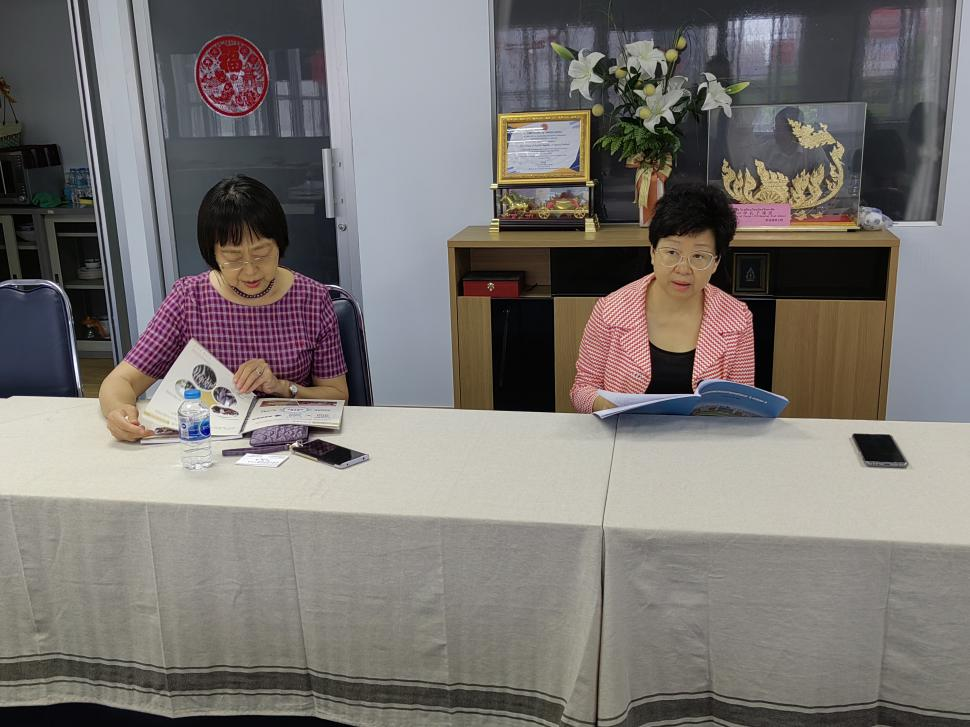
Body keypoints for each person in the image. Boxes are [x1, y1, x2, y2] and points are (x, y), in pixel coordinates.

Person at [99, 175, 349, 441]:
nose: (250, 271)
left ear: (280, 243)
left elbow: (337, 395)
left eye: (262, 254)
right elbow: (120, 381)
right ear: (213, 254)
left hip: (289, 443)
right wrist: (119, 412)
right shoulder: (189, 299)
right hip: (207, 446)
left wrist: (282, 387)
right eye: (233, 258)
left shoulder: (311, 299)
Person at [571, 184, 754, 413]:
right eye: (672, 252)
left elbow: (742, 403)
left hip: (703, 435)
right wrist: (608, 406)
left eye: (699, 256)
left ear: (715, 262)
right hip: (627, 431)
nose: (683, 269)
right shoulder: (610, 310)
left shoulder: (737, 318)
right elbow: (582, 389)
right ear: (653, 252)